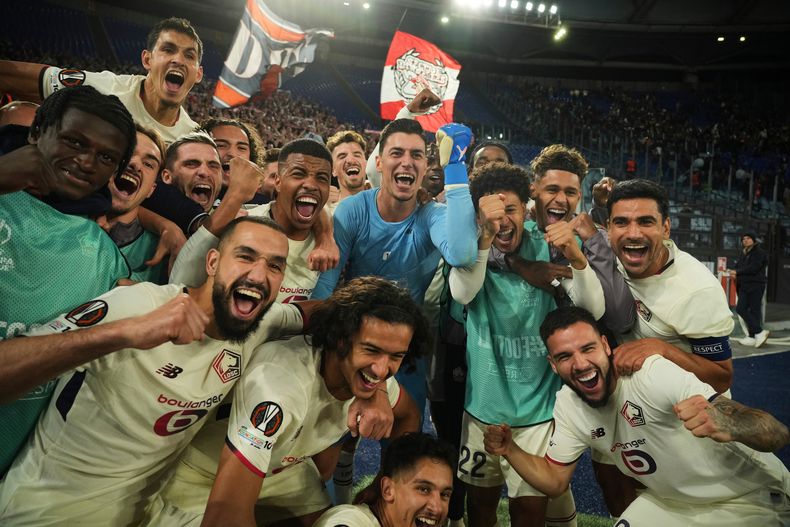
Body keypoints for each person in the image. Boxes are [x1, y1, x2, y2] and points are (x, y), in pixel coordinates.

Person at [0, 216, 311, 525]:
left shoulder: (259, 321)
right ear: (213, 262)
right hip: (48, 512)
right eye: (245, 256)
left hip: (150, 514)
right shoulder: (139, 305)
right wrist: (125, 332)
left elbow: (320, 312)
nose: (258, 276)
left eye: (275, 266)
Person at [484, 306, 790, 526]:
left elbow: (775, 432)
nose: (579, 364)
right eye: (565, 357)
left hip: (750, 498)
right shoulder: (568, 404)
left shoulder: (651, 373)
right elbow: (554, 481)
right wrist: (510, 450)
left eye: (587, 348)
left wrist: (729, 423)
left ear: (606, 345)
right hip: (672, 505)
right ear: (553, 365)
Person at [449, 162, 605, 527]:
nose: (502, 220)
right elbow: (462, 292)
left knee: (528, 511)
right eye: (492, 212)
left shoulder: (549, 244)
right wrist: (484, 238)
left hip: (538, 413)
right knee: (482, 506)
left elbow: (592, 309)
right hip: (482, 409)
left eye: (511, 210)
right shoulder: (469, 249)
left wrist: (578, 257)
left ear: (526, 209)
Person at [200, 277, 427, 527]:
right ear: (339, 339)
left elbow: (409, 416)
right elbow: (226, 514)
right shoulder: (280, 387)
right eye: (371, 350)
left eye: (396, 356)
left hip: (282, 474)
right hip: (205, 478)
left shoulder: (370, 379)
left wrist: (385, 477)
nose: (382, 369)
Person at [0, 85, 136, 474]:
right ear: (36, 132)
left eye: (106, 157)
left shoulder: (102, 251)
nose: (86, 161)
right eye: (74, 141)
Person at [605, 179, 734, 394]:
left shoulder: (698, 290)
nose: (633, 233)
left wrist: (662, 349)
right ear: (609, 228)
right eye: (621, 222)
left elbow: (721, 378)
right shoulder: (609, 260)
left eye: (646, 222)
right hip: (631, 408)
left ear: (665, 228)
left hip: (684, 419)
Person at [169, 138, 335, 297]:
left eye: (321, 178)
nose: (311, 185)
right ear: (278, 181)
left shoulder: (335, 235)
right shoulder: (241, 222)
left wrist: (326, 238)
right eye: (298, 174)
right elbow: (181, 285)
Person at [0, 17, 202, 142]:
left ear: (198, 74)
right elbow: (8, 75)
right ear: (147, 59)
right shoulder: (106, 88)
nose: (178, 60)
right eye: (168, 50)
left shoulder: (194, 138)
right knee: (20, 114)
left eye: (189, 55)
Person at [314, 433, 456, 527]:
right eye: (424, 489)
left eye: (445, 494)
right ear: (388, 490)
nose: (437, 508)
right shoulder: (352, 520)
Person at [99, 123, 169, 283]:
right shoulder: (61, 215)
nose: (136, 164)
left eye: (148, 164)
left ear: (152, 189)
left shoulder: (160, 252)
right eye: (128, 152)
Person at [202, 117, 270, 207]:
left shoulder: (264, 206)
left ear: (251, 157)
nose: (232, 154)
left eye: (241, 148)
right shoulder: (186, 198)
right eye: (221, 145)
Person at [731, 233, 769, 347]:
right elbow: (739, 266)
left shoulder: (760, 253)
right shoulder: (744, 253)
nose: (745, 240)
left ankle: (756, 334)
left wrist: (737, 272)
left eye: (748, 238)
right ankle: (755, 334)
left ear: (753, 240)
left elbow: (754, 268)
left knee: (754, 310)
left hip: (756, 285)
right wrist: (733, 271)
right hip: (744, 285)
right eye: (743, 239)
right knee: (741, 308)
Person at [326, 129, 369, 205]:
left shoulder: (385, 207)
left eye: (357, 155)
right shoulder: (325, 212)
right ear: (333, 170)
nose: (351, 160)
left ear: (366, 163)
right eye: (342, 156)